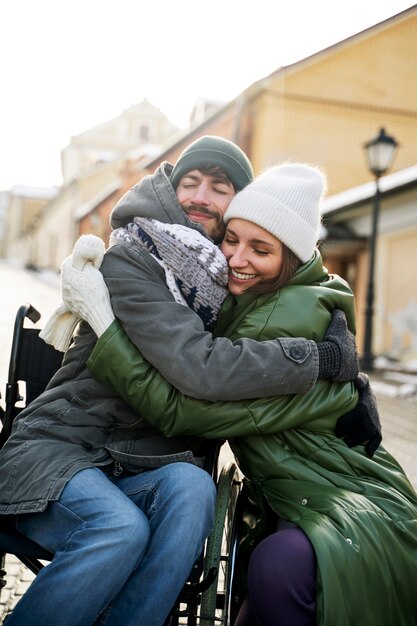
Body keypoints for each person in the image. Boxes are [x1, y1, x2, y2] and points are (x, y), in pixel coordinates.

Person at [0, 137, 362, 626]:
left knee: (193, 488)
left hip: (139, 465)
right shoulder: (134, 260)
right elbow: (200, 365)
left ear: (239, 207)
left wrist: (351, 384)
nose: (200, 196)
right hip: (63, 451)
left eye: (219, 187)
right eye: (190, 182)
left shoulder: (227, 282)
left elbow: (287, 301)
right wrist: (316, 359)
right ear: (171, 190)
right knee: (119, 528)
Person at [61, 163, 417, 625]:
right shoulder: (266, 294)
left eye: (260, 249)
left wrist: (105, 324)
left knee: (277, 569)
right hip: (312, 487)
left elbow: (183, 410)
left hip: (337, 494)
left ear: (291, 257)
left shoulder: (276, 317)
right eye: (232, 239)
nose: (236, 258)